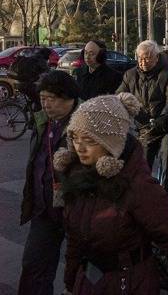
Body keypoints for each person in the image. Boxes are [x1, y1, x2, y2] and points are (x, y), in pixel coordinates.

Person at [53, 93, 168, 295]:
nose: (79, 147)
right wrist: (71, 283)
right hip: (90, 283)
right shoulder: (77, 178)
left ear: (111, 142)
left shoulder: (138, 185)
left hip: (130, 283)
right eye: (74, 138)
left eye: (89, 140)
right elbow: (75, 242)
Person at [18, 70, 80, 295]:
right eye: (42, 98)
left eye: (50, 99)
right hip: (44, 209)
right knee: (33, 266)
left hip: (76, 211)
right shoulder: (43, 121)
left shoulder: (84, 124)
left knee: (82, 275)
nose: (45, 104)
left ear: (68, 98)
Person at [117, 40, 168, 194]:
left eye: (147, 58)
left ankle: (166, 194)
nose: (143, 62)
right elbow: (119, 95)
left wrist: (165, 116)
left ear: (156, 57)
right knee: (141, 161)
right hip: (146, 126)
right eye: (140, 58)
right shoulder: (130, 75)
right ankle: (143, 195)